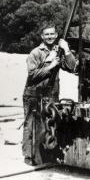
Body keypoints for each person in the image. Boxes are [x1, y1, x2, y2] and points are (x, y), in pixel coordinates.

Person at [22, 26, 77, 165]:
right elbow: (32, 75)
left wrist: (67, 50)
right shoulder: (35, 52)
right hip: (34, 94)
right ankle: (29, 157)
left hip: (51, 94)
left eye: (52, 34)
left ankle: (47, 155)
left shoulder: (58, 51)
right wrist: (50, 65)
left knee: (50, 124)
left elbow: (72, 67)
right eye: (46, 34)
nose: (50, 37)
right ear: (42, 36)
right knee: (32, 125)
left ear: (57, 35)